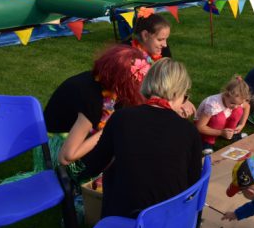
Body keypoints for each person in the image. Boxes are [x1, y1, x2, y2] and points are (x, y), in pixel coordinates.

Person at [75, 58, 202, 218]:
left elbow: (95, 163)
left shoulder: (121, 118)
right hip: (169, 219)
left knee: (113, 173)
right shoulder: (189, 131)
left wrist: (71, 175)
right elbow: (194, 183)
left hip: (124, 215)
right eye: (185, 97)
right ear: (177, 94)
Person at [26, 45, 148, 182]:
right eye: (136, 83)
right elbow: (66, 156)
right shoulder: (92, 100)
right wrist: (109, 130)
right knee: (117, 145)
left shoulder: (103, 82)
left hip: (77, 135)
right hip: (58, 147)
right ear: (122, 82)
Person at [125, 7, 195, 117]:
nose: (165, 44)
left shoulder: (163, 51)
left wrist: (182, 100)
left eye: (166, 39)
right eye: (160, 39)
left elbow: (171, 78)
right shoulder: (126, 56)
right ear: (145, 35)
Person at [195, 75, 252, 150]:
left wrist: (242, 124)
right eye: (232, 103)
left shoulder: (236, 101)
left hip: (222, 122)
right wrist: (220, 133)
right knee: (219, 118)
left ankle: (230, 133)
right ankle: (208, 141)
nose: (235, 106)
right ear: (225, 95)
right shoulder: (213, 106)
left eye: (239, 104)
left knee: (238, 110)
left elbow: (247, 107)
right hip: (205, 126)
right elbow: (199, 127)